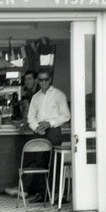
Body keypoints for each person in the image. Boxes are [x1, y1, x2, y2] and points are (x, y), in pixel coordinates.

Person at [23, 69, 70, 202]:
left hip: (53, 131)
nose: (43, 82)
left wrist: (50, 123)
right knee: (39, 162)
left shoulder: (58, 95)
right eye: (41, 80)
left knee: (54, 163)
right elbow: (30, 117)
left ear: (50, 80)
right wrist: (35, 127)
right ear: (38, 81)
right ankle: (41, 194)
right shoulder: (36, 97)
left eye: (46, 80)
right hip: (39, 132)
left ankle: (55, 194)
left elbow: (66, 115)